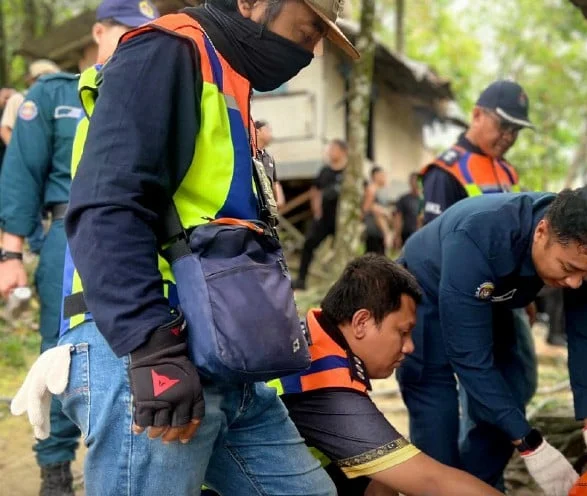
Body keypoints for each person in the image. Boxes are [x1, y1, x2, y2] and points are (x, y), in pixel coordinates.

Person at [47, 0, 358, 494]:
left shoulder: (229, 76)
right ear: (252, 3)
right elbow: (107, 204)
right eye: (306, 32)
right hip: (149, 344)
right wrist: (152, 346)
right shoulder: (166, 51)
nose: (313, 51)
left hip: (223, 353)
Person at [0, 3, 158, 494]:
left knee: (143, 348)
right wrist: (10, 255)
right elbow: (21, 174)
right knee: (64, 354)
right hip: (70, 241)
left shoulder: (153, 90)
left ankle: (132, 460)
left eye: (143, 32)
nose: (134, 41)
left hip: (144, 240)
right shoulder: (53, 95)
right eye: (125, 31)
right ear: (98, 31)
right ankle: (54, 470)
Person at [397, 185, 587, 495]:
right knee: (436, 407)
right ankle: (438, 486)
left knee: (512, 386)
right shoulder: (481, 235)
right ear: (541, 231)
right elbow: (470, 359)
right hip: (426, 290)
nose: (575, 283)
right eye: (568, 269)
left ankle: (481, 485)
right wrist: (532, 445)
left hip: (492, 297)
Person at [258, 254, 501, 496]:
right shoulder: (326, 382)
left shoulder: (312, 338)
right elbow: (431, 481)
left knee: (383, 478)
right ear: (361, 322)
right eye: (403, 332)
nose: (409, 347)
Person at [417, 79, 539, 488]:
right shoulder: (447, 171)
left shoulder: (507, 171)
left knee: (516, 384)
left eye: (516, 130)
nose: (508, 137)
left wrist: (528, 296)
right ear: (476, 115)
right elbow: (437, 248)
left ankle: (482, 480)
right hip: (459, 300)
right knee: (460, 394)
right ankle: (457, 484)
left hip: (505, 302)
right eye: (503, 125)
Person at [294, 138, 349, 290]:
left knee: (343, 251)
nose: (330, 152)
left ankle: (345, 285)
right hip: (324, 218)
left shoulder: (350, 172)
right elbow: (315, 191)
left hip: (343, 220)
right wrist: (317, 210)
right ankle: (301, 280)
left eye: (333, 149)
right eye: (330, 149)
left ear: (343, 152)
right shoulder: (325, 171)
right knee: (309, 243)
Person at [0, 60, 61, 146]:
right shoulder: (19, 99)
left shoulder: (58, 101)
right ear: (32, 80)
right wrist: (18, 151)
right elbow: (5, 130)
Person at [255, 119, 285, 208]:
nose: (270, 134)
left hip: (268, 205)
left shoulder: (269, 158)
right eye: (267, 130)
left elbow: (275, 181)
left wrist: (279, 200)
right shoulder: (250, 154)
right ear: (257, 131)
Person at [362, 165, 391, 254]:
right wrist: (382, 210)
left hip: (380, 230)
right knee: (373, 255)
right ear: (375, 176)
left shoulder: (381, 190)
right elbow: (366, 208)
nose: (384, 177)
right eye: (382, 175)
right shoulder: (371, 189)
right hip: (373, 228)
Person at [393, 172, 420, 249]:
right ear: (410, 182)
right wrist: (397, 236)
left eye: (417, 181)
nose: (415, 183)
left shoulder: (426, 199)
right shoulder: (403, 199)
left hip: (421, 234)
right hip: (406, 234)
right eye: (413, 180)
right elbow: (398, 218)